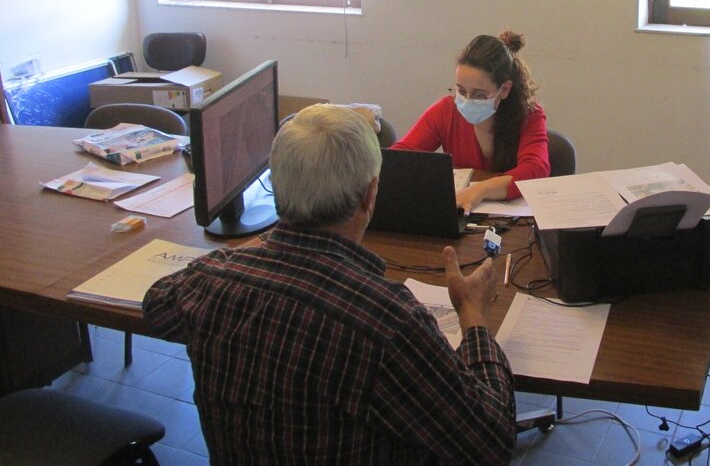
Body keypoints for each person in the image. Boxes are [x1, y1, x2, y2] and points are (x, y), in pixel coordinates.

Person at [143, 105, 516, 465]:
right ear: (370, 195)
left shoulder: (209, 280)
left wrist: (256, 250)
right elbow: (491, 442)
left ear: (276, 186)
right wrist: (473, 317)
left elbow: (156, 303)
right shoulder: (389, 322)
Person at [392, 29, 549, 211]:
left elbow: (536, 169)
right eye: (461, 90)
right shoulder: (446, 110)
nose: (467, 100)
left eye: (479, 95)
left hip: (510, 219)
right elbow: (397, 158)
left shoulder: (529, 114)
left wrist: (481, 190)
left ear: (505, 89)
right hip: (461, 213)